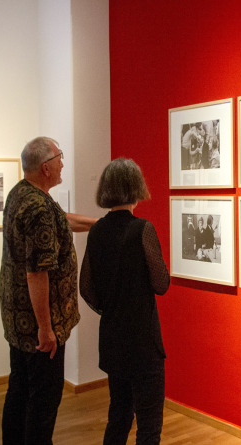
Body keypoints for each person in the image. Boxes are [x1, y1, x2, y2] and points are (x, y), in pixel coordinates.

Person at [0, 136, 96, 444]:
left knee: (20, 389)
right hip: (39, 325)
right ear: (46, 167)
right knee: (43, 401)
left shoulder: (22, 193)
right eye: (60, 157)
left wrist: (101, 224)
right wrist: (46, 329)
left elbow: (62, 220)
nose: (63, 163)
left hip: (17, 318)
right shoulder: (39, 207)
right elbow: (36, 273)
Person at [80, 158, 170, 444]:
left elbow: (86, 288)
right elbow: (161, 284)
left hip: (112, 339)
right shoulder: (142, 229)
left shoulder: (96, 230)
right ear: (135, 188)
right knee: (149, 424)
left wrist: (110, 307)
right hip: (143, 341)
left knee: (118, 416)